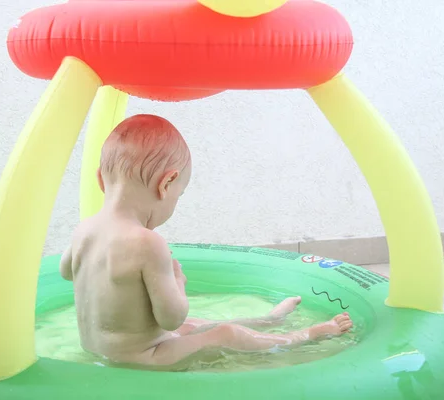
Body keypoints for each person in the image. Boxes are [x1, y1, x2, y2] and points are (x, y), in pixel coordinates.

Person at [60, 114, 353, 368]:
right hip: (145, 358)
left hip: (100, 350)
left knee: (196, 326)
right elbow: (171, 318)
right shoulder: (147, 243)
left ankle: (268, 321)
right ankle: (305, 335)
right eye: (179, 194)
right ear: (166, 184)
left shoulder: (83, 230)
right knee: (224, 333)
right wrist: (177, 283)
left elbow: (65, 271)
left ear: (100, 180)